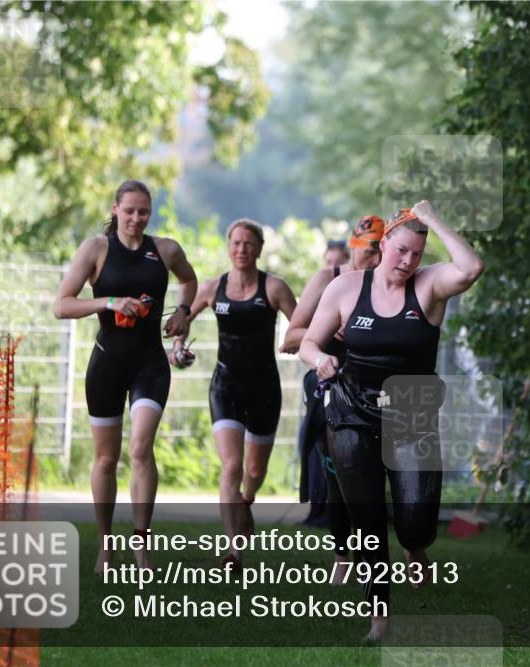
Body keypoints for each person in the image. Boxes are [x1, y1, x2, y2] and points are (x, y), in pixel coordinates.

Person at [299, 201, 484, 639]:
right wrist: (321, 359)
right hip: (352, 414)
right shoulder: (346, 287)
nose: (408, 261)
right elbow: (308, 341)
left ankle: (415, 545)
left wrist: (433, 219)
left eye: (417, 254)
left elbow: (472, 266)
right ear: (383, 244)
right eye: (401, 251)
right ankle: (379, 616)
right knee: (367, 523)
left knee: (417, 523)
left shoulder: (430, 286)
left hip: (411, 418)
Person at [53, 179, 198, 573]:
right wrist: (109, 301)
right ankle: (105, 546)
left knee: (139, 448)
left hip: (150, 363)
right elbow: (61, 305)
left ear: (151, 213)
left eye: (144, 211)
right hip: (107, 364)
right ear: (115, 209)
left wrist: (183, 312)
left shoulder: (165, 249)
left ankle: (141, 546)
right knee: (105, 458)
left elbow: (189, 281)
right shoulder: (96, 249)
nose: (136, 218)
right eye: (129, 210)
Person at [171, 219, 296, 570]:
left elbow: (302, 324)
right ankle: (233, 550)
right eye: (236, 243)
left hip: (264, 388)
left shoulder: (274, 288)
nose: (241, 249)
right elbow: (183, 320)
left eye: (248, 244)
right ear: (229, 247)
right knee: (232, 465)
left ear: (258, 249)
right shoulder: (213, 288)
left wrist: (294, 340)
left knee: (254, 471)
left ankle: (246, 501)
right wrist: (178, 347)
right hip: (225, 385)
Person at [285, 215, 384, 583]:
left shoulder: (388, 284)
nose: (373, 261)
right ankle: (343, 552)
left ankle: (380, 550)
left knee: (374, 474)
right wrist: (327, 327)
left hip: (376, 388)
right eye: (367, 252)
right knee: (339, 474)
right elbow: (291, 336)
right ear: (353, 247)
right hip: (330, 383)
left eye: (379, 253)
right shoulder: (330, 279)